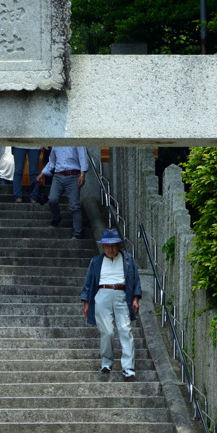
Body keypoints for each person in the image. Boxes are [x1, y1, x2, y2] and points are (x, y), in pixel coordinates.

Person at [80, 229, 142, 380]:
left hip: (122, 294)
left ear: (119, 245)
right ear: (102, 246)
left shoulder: (128, 259)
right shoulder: (96, 261)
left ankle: (128, 367)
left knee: (125, 330)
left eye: (114, 245)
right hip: (102, 293)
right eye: (107, 246)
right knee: (106, 331)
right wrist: (86, 302)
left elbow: (136, 281)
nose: (111, 249)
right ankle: (106, 362)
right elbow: (88, 283)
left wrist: (135, 298)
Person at [38, 146, 90, 239]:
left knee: (75, 205)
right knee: (52, 200)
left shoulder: (77, 141)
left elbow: (83, 158)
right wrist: (42, 174)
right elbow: (52, 162)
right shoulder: (56, 144)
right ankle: (57, 218)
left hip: (74, 175)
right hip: (58, 176)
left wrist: (82, 174)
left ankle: (77, 232)